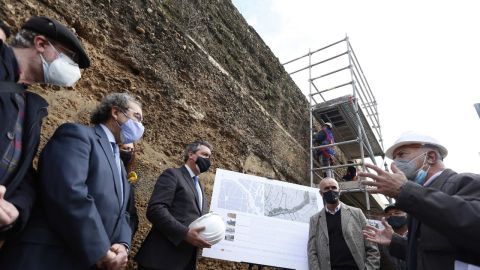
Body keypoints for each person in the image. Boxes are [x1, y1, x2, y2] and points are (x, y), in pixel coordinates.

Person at [0, 93, 144, 269]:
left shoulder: (121, 166)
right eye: (137, 118)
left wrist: (123, 245)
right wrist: (100, 249)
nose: (140, 126)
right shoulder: (78, 135)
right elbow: (69, 192)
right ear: (115, 112)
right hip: (47, 257)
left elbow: (124, 213)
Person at [0, 16, 90, 247]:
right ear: (40, 44)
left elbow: (24, 174)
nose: (74, 71)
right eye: (69, 58)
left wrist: (16, 211)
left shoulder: (30, 107)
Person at [360, 132, 480, 269]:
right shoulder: (418, 199)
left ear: (430, 157)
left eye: (402, 155)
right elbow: (430, 253)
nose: (395, 163)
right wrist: (395, 242)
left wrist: (404, 191)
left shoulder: (466, 181)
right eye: (394, 158)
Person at [135, 140, 213, 270]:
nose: (208, 160)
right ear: (191, 155)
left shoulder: (200, 187)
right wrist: (184, 233)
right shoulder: (173, 175)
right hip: (161, 260)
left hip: (185, 261)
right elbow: (156, 210)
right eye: (205, 154)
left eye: (209, 157)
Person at [308, 177, 380, 270]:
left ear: (339, 191)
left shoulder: (357, 213)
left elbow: (372, 246)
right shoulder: (315, 220)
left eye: (333, 187)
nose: (330, 190)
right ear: (321, 194)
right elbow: (312, 252)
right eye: (326, 188)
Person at [378, 205, 407, 270]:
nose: (392, 216)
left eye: (397, 213)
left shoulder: (416, 238)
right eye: (389, 214)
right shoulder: (381, 242)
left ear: (407, 215)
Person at [120, 142, 139, 238]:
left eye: (132, 150)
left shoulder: (129, 181)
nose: (129, 153)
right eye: (126, 149)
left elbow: (132, 216)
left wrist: (124, 240)